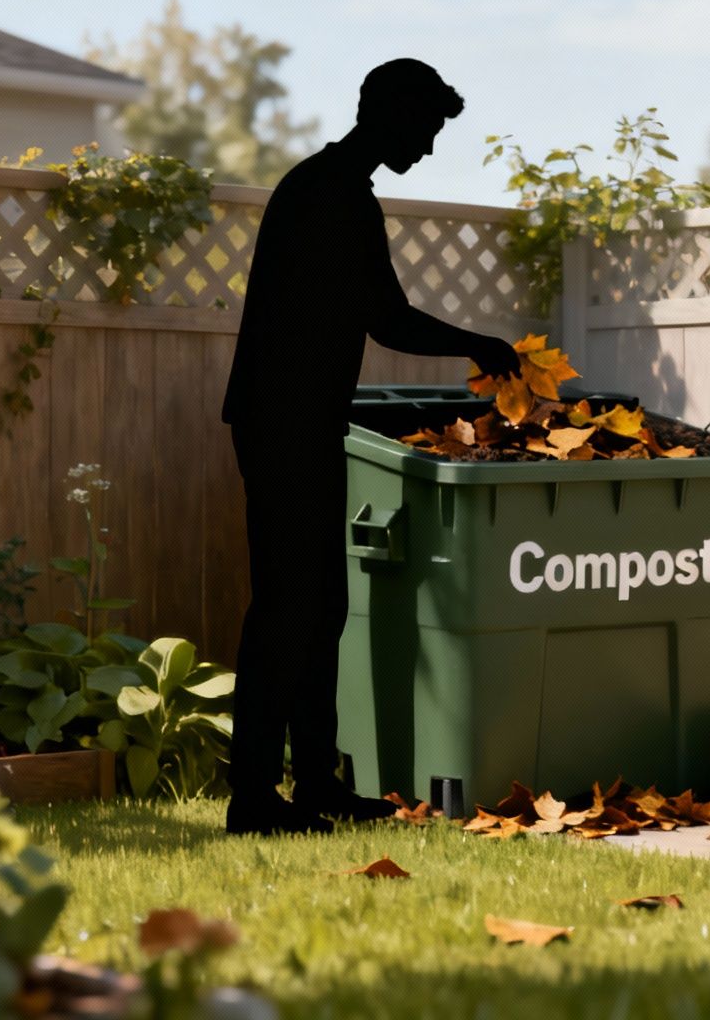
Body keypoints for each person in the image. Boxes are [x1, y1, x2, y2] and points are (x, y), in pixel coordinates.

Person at [219, 58, 519, 835]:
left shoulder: (336, 188)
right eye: (423, 129)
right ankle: (251, 799)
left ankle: (316, 784)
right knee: (288, 610)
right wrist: (480, 344)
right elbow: (389, 319)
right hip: (282, 423)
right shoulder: (328, 194)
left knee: (323, 608)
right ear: (386, 113)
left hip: (303, 419)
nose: (425, 147)